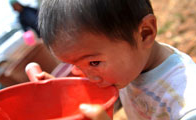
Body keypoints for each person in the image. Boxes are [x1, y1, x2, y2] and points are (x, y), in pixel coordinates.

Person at [36, 0, 196, 120]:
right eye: (76, 66)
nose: (91, 78)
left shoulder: (187, 103)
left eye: (94, 63)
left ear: (145, 33)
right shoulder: (130, 67)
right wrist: (67, 96)